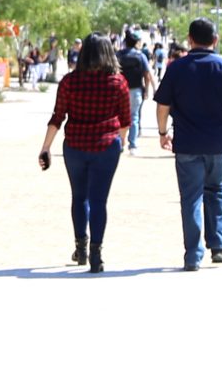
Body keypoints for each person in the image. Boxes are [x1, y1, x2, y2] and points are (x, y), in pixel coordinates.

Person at [155, 18, 222, 271]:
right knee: (216, 190)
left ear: (190, 39)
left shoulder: (177, 68)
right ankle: (218, 246)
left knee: (191, 198)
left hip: (186, 143)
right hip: (217, 142)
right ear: (215, 40)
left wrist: (163, 132)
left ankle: (193, 255)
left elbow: (162, 106)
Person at [39, 32, 130, 273]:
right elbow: (125, 120)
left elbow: (57, 117)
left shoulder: (70, 81)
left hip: (75, 146)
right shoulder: (118, 82)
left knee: (79, 197)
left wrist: (46, 147)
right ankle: (96, 254)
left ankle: (80, 247)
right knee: (100, 200)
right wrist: (120, 143)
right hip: (106, 146)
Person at [117, 30, 157, 156]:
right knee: (134, 117)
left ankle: (119, 142)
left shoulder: (118, 55)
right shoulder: (140, 56)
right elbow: (147, 74)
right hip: (136, 90)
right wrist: (149, 89)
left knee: (118, 117)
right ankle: (132, 145)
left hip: (119, 90)